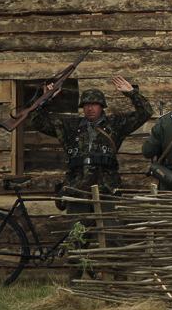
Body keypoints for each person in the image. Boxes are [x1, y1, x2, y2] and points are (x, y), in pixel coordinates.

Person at [30, 77, 153, 215]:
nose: (90, 108)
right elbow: (39, 122)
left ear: (102, 106)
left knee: (110, 231)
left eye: (94, 104)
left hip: (107, 187)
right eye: (86, 104)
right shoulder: (70, 125)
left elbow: (145, 113)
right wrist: (46, 99)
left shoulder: (116, 124)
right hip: (77, 187)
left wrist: (131, 92)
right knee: (77, 230)